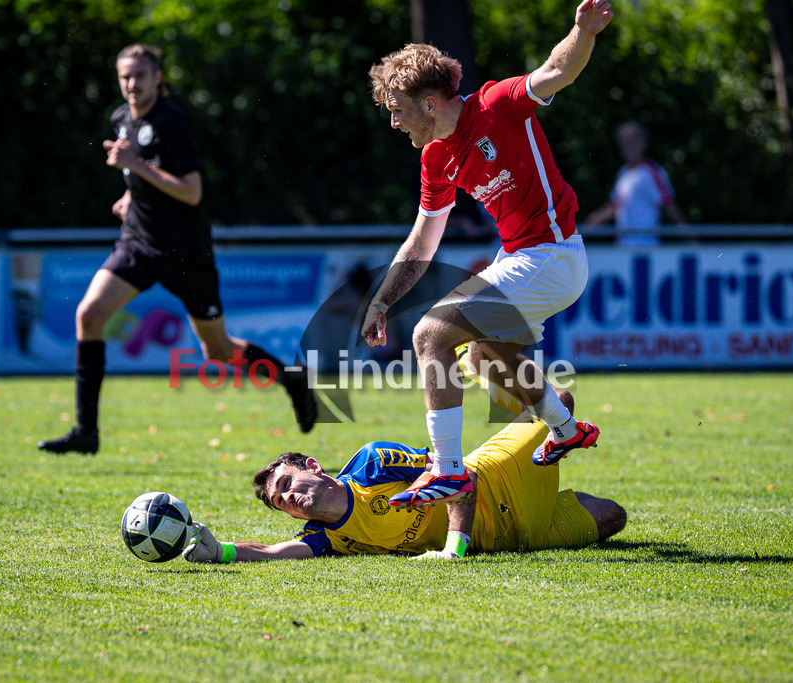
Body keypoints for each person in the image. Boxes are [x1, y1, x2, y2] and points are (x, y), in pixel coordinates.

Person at [359, 0, 613, 511]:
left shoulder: (496, 105)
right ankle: (565, 429)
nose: (393, 123)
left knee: (431, 332)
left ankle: (448, 471)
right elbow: (422, 241)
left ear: (430, 103)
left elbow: (556, 70)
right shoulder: (436, 156)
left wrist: (582, 31)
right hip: (522, 256)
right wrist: (382, 300)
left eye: (397, 110)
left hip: (554, 256)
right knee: (480, 356)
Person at [38, 44, 317, 455]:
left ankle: (291, 379)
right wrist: (130, 198)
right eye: (125, 77)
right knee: (89, 315)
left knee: (218, 350)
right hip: (137, 243)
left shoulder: (172, 122)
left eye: (140, 76)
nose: (132, 84)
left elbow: (191, 192)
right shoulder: (120, 120)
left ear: (157, 78)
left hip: (185, 253)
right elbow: (144, 176)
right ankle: (86, 431)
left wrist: (135, 166)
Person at [182, 389, 626, 563]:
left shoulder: (373, 463)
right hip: (514, 537)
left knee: (557, 399)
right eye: (280, 502)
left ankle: (554, 446)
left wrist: (454, 549)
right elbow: (273, 551)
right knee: (614, 517)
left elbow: (455, 477)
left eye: (286, 484)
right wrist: (220, 551)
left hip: (495, 479)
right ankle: (552, 490)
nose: (288, 498)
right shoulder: (326, 536)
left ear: (312, 466)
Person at [583, 120, 687, 247]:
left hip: (646, 249)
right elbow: (614, 207)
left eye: (631, 141)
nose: (627, 147)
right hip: (624, 249)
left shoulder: (651, 171)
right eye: (623, 143)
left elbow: (670, 207)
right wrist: (586, 226)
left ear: (643, 143)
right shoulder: (623, 173)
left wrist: (691, 240)